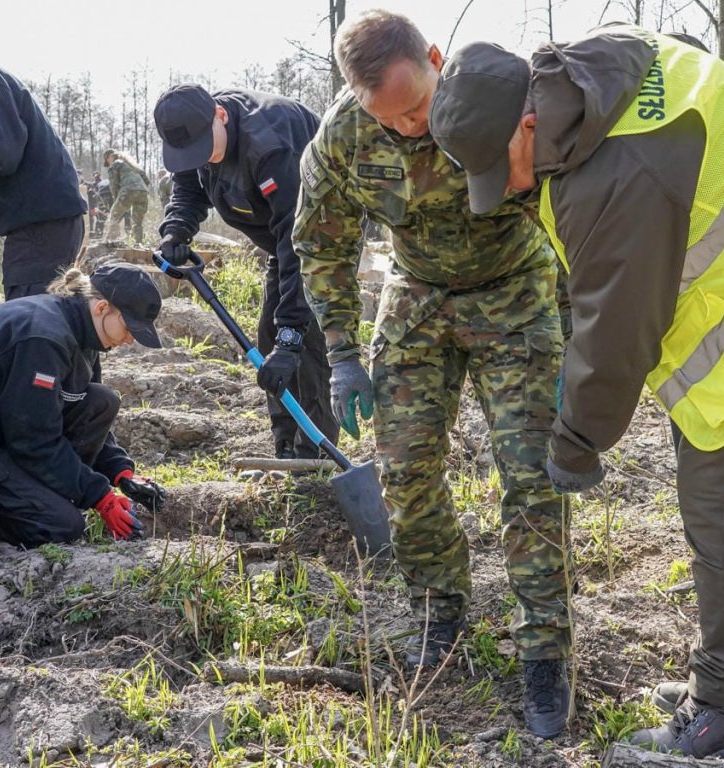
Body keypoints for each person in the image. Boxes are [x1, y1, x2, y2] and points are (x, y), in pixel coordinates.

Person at [428, 24, 724, 759]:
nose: (513, 188)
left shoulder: (615, 174)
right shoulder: (603, 74)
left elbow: (620, 333)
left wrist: (578, 440)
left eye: (506, 167)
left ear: (528, 121)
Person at [291, 10, 571, 739]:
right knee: (406, 469)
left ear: (438, 60)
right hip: (416, 301)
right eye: (393, 118)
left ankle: (544, 650)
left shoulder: (508, 103)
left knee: (532, 474)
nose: (413, 127)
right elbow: (322, 246)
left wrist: (579, 337)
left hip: (515, 293)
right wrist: (344, 354)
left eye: (419, 107)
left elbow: (577, 218)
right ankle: (438, 608)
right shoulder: (342, 141)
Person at [153, 83, 339, 460]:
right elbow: (188, 187)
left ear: (220, 115)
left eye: (205, 150)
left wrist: (292, 336)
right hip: (280, 237)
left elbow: (301, 241)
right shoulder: (195, 139)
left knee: (304, 338)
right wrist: (177, 229)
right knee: (269, 337)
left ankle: (316, 451)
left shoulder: (270, 142)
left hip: (326, 234)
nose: (202, 159)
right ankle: (285, 444)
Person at [0, 263, 168, 547]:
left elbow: (79, 402)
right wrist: (99, 496)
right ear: (102, 307)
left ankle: (36, 493)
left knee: (102, 400)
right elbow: (33, 442)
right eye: (130, 329)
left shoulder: (86, 332)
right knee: (61, 525)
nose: (131, 340)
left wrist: (120, 472)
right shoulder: (44, 340)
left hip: (9, 428)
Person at [0, 59, 88, 299]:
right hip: (41, 224)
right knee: (33, 317)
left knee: (31, 321)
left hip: (43, 226)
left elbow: (1, 153)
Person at [103, 148, 150, 244]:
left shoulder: (116, 164)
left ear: (110, 157)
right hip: (143, 192)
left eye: (107, 161)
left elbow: (113, 185)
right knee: (137, 222)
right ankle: (138, 243)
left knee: (114, 216)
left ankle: (109, 242)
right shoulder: (132, 165)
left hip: (128, 191)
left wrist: (117, 199)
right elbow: (146, 180)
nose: (108, 164)